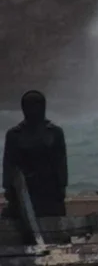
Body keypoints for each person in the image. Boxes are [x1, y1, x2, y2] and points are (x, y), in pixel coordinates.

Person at [2, 90, 68, 219]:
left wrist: (61, 189)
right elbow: (8, 165)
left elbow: (61, 165)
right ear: (24, 108)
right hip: (23, 192)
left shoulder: (54, 132)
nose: (33, 110)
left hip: (49, 192)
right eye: (30, 106)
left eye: (37, 106)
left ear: (43, 107)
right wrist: (9, 190)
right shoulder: (15, 134)